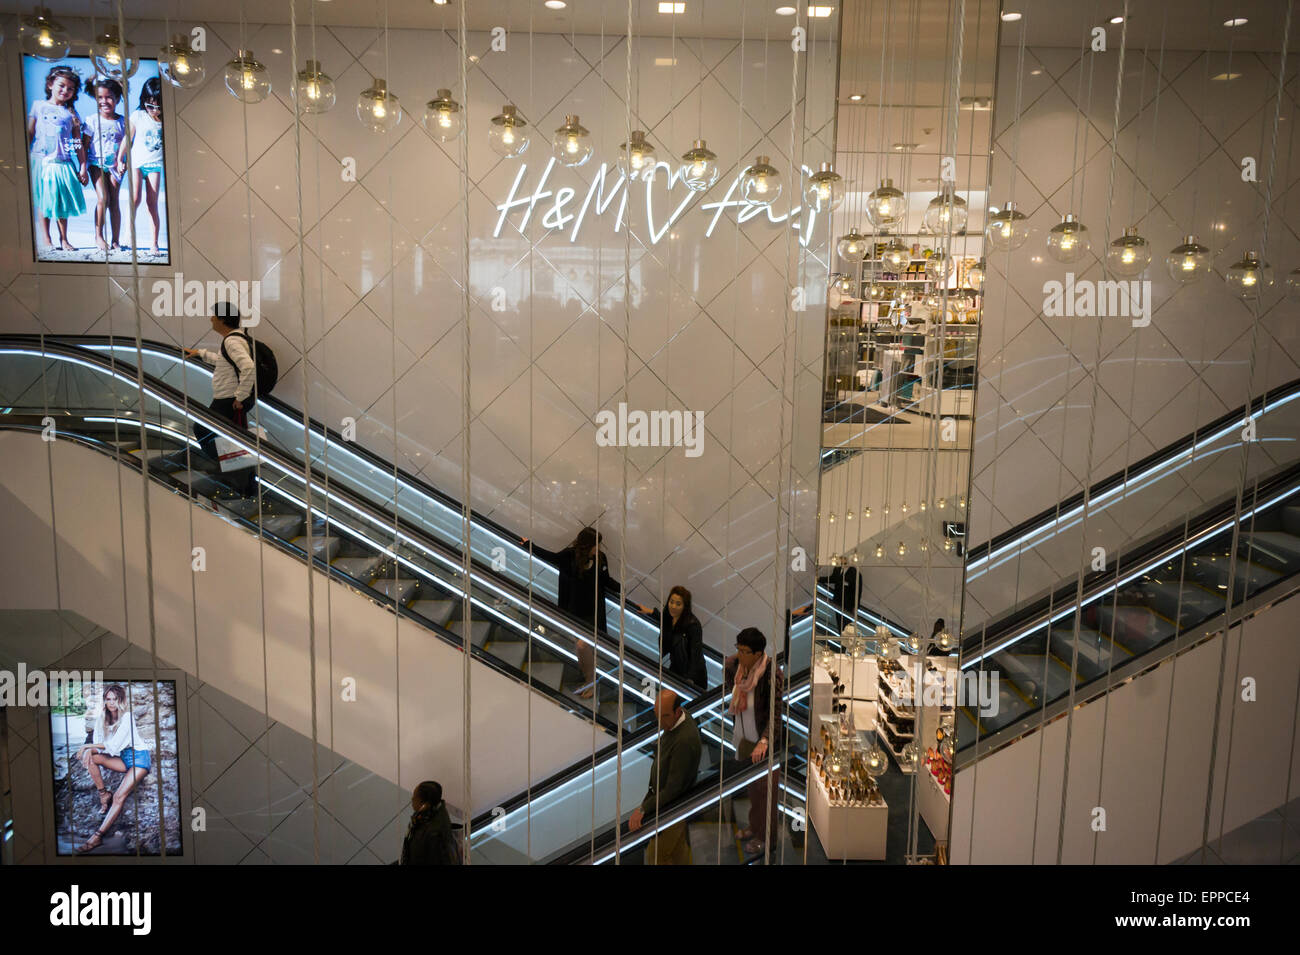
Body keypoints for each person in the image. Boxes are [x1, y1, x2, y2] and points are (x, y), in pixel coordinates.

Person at [184, 302, 258, 495]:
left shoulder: (231, 341)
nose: (211, 319)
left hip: (228, 399)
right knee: (233, 440)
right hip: (229, 399)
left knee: (202, 429)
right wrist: (200, 354)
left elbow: (248, 367)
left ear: (223, 319)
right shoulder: (236, 339)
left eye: (214, 315)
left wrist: (240, 397)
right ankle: (245, 481)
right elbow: (224, 362)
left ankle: (232, 471)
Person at [724, 627, 785, 856]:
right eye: (738, 649)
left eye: (745, 651)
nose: (740, 655)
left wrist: (766, 739)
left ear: (758, 654)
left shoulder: (771, 675)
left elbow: (776, 713)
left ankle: (766, 838)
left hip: (763, 742)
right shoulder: (737, 669)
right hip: (743, 737)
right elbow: (730, 667)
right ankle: (754, 826)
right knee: (752, 789)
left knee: (766, 795)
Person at [73, 684, 152, 853]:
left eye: (115, 699)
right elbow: (102, 747)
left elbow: (114, 747)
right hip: (123, 758)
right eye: (108, 699)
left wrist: (87, 745)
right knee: (91, 757)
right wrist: (89, 749)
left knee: (118, 797)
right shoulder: (102, 718)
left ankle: (97, 837)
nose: (111, 702)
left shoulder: (127, 717)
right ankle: (103, 794)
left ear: (120, 700)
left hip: (139, 758)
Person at [628, 689, 702, 865]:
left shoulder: (684, 741)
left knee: (656, 856)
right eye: (657, 715)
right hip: (670, 803)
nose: (660, 722)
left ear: (678, 712)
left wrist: (644, 808)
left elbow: (673, 789)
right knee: (678, 852)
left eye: (665, 716)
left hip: (673, 807)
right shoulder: (677, 721)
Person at [27, 65, 88, 252]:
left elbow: (77, 143)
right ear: (50, 84)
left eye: (70, 88)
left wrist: (83, 166)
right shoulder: (38, 105)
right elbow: (29, 133)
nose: (65, 91)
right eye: (61, 86)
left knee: (61, 203)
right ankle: (46, 239)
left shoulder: (71, 114)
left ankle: (64, 239)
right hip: (40, 160)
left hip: (62, 163)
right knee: (42, 201)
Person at [550, 527, 615, 699]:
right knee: (581, 648)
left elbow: (606, 580)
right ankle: (589, 679)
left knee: (582, 646)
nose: (598, 548)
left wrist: (622, 589)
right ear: (586, 545)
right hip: (576, 610)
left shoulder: (600, 558)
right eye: (595, 545)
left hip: (594, 611)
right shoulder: (570, 556)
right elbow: (552, 557)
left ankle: (591, 681)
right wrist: (528, 544)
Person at [117, 76, 164, 255]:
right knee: (134, 199)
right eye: (149, 105)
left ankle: (154, 243)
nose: (153, 110)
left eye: (157, 107)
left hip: (155, 164)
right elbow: (127, 138)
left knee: (152, 204)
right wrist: (120, 159)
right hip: (136, 162)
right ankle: (128, 235)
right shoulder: (138, 115)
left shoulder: (164, 121)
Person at [81, 77, 126, 253]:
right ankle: (98, 236)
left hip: (115, 166)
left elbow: (126, 147)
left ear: (117, 99)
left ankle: (115, 240)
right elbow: (84, 147)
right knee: (103, 198)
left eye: (109, 97)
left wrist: (124, 163)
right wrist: (83, 168)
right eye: (100, 97)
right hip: (95, 163)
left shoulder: (122, 122)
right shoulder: (92, 120)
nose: (104, 101)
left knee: (114, 202)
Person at [399, 780, 459, 865]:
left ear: (425, 804)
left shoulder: (434, 833)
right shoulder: (426, 815)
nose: (412, 799)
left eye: (415, 797)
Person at [660, 585, 706, 690]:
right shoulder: (668, 617)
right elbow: (663, 621)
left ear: (685, 606)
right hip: (675, 669)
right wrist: (651, 612)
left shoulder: (693, 625)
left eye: (678, 604)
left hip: (692, 677)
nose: (673, 606)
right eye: (671, 602)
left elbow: (696, 655)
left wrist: (690, 679)